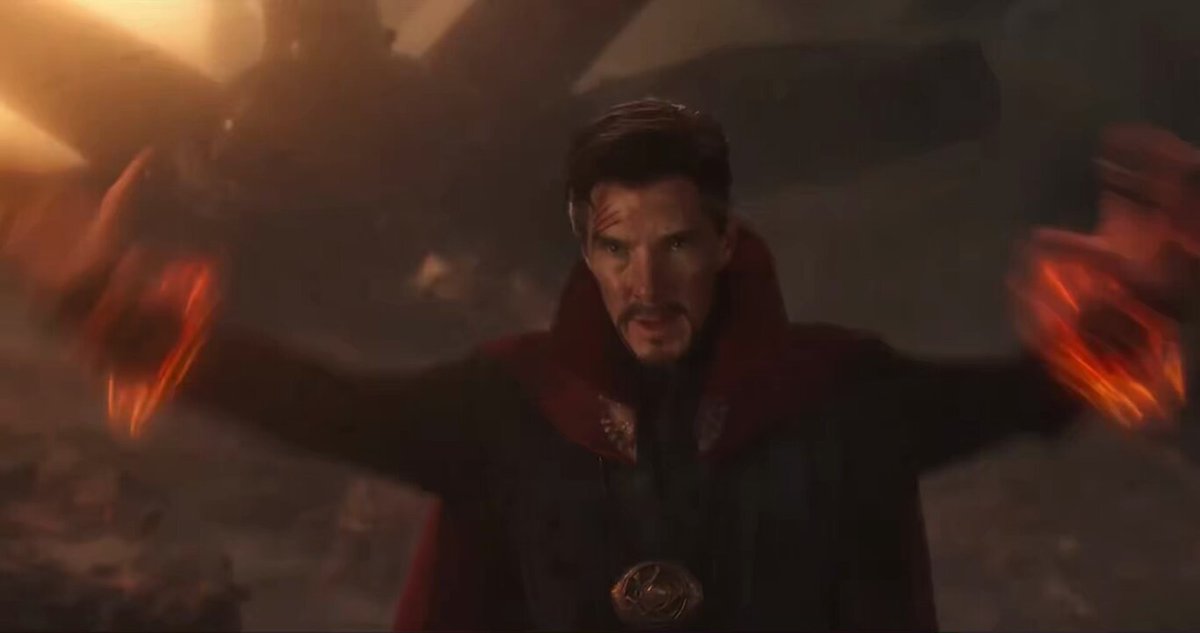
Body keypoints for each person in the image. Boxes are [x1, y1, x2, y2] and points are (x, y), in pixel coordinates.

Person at [5, 99, 1192, 631]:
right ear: (590, 253)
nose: (647, 281)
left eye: (676, 245)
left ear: (723, 244)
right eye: (618, 249)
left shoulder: (837, 399)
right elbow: (317, 407)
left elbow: (1022, 398)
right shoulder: (510, 406)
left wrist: (1140, 295)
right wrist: (107, 310)